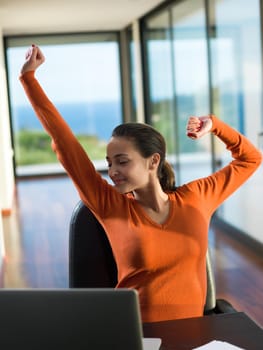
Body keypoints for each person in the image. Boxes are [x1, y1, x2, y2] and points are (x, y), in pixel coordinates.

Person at [19, 45, 262, 323]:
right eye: (109, 163)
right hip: (134, 337)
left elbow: (250, 159)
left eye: (122, 161)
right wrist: (29, 80)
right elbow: (65, 143)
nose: (113, 171)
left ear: (153, 161)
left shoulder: (196, 198)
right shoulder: (109, 205)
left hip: (193, 335)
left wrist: (215, 125)